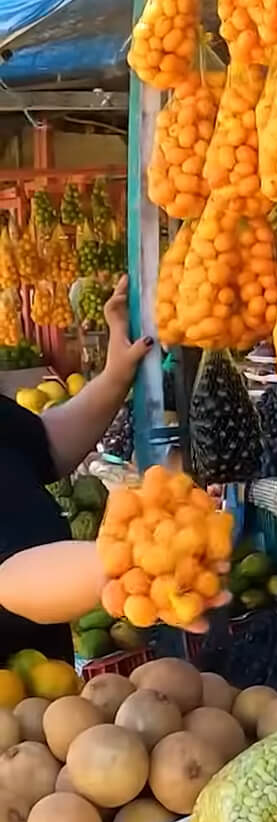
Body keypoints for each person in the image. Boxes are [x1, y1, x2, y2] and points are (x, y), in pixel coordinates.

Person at [0, 275, 151, 656]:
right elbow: (9, 583)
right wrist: (130, 560)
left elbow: (44, 444)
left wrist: (116, 376)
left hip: (50, 688)